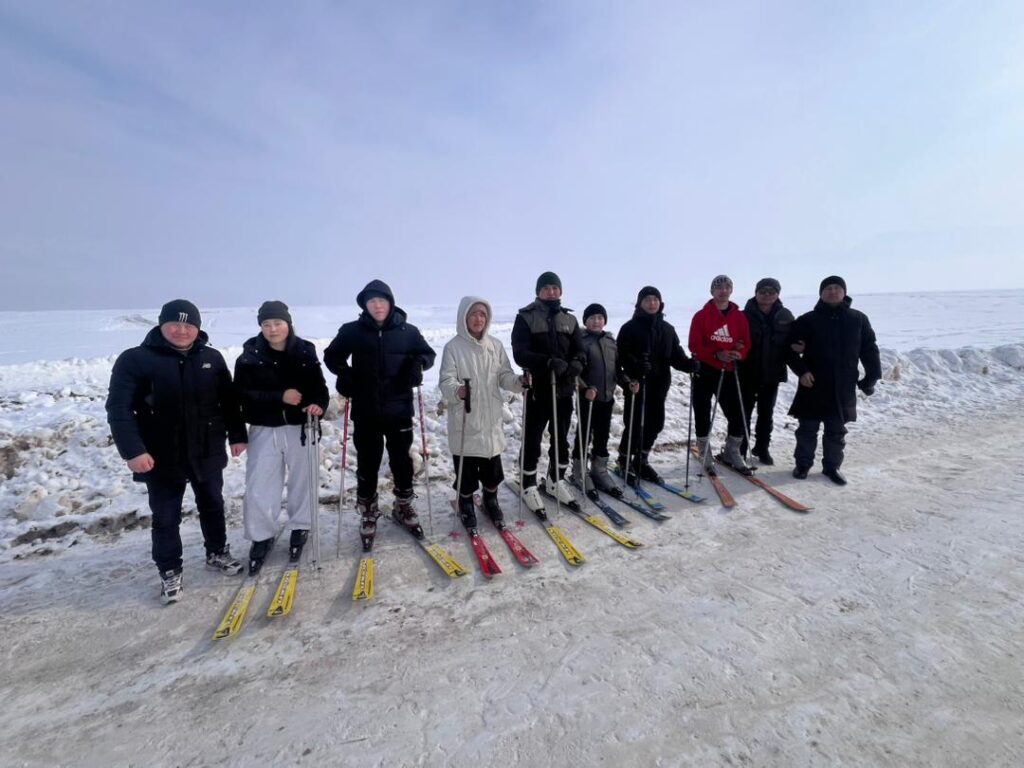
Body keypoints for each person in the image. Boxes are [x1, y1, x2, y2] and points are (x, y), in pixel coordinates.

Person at [106, 299, 247, 604]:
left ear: (197, 328)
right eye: (175, 324)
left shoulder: (211, 357)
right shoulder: (136, 360)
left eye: (189, 325)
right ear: (161, 325)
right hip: (160, 455)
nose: (182, 330)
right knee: (166, 516)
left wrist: (237, 434)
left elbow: (229, 401)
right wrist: (133, 451)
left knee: (213, 505)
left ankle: (217, 552)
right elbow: (118, 409)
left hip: (206, 449)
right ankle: (169, 569)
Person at [323, 280, 436, 544]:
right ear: (365, 305)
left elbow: (427, 354)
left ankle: (404, 505)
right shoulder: (352, 331)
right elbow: (332, 356)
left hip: (399, 409)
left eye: (381, 300)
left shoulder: (408, 331)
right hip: (366, 410)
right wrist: (345, 374)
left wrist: (418, 364)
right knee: (368, 462)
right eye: (371, 301)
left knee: (401, 461)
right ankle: (368, 511)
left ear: (390, 302)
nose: (377, 305)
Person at [233, 301, 330, 574]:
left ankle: (301, 526)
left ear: (288, 323)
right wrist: (280, 397)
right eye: (266, 324)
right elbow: (241, 395)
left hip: (301, 428)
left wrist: (318, 406)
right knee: (260, 485)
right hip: (265, 428)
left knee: (304, 480)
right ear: (260, 327)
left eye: (277, 323)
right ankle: (262, 535)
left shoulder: (304, 350)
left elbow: (319, 388)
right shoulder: (249, 356)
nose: (272, 329)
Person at [438, 296, 527, 531]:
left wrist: (519, 382)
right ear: (464, 317)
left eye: (482, 315)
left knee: (492, 470)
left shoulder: (495, 346)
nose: (478, 319)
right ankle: (465, 502)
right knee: (466, 473)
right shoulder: (453, 348)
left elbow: (504, 376)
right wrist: (457, 390)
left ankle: (491, 500)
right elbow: (445, 381)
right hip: (466, 420)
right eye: (473, 314)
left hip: (490, 420)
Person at [787, 276, 881, 485]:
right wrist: (801, 371)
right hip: (813, 383)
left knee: (836, 430)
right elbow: (789, 349)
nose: (832, 291)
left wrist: (871, 376)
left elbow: (869, 349)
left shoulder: (858, 319)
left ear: (844, 292)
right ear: (821, 293)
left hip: (843, 385)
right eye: (828, 288)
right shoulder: (807, 320)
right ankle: (803, 464)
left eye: (837, 288)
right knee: (807, 429)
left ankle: (832, 467)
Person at [511, 271, 586, 513]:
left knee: (561, 438)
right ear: (538, 292)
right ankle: (528, 482)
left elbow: (580, 349)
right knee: (532, 439)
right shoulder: (526, 317)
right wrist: (546, 361)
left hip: (564, 389)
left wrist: (577, 363)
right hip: (539, 390)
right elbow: (520, 352)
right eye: (546, 288)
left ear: (560, 291)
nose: (551, 292)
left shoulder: (570, 320)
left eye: (555, 288)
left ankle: (555, 480)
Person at [616, 287, 698, 483]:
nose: (652, 303)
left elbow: (676, 356)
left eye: (655, 299)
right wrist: (636, 365)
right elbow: (620, 357)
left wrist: (690, 365)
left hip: (659, 384)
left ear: (660, 303)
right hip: (637, 384)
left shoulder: (667, 329)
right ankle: (624, 460)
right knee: (634, 424)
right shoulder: (629, 328)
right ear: (640, 304)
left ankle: (641, 460)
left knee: (656, 423)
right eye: (647, 299)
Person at [688, 275, 753, 474]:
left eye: (727, 287)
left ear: (731, 291)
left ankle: (732, 451)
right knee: (702, 410)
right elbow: (694, 344)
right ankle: (704, 450)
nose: (723, 291)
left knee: (736, 413)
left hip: (729, 370)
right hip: (706, 369)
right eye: (719, 288)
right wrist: (716, 353)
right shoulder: (701, 316)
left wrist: (738, 353)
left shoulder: (739, 316)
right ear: (712, 291)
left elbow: (745, 342)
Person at [570, 303, 632, 496]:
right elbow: (574, 373)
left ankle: (599, 470)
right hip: (588, 398)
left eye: (600, 318)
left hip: (606, 397)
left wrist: (628, 383)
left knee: (603, 435)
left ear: (604, 320)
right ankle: (579, 471)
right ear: (585, 321)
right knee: (584, 434)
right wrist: (584, 388)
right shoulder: (581, 341)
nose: (596, 321)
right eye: (592, 318)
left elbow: (617, 370)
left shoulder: (611, 342)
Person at [739, 278, 795, 465]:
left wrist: (801, 347)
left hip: (772, 374)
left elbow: (794, 340)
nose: (767, 295)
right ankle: (740, 448)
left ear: (778, 294)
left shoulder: (785, 316)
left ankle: (762, 448)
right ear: (756, 293)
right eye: (763, 291)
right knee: (743, 413)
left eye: (772, 291)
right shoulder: (743, 316)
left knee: (766, 413)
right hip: (747, 373)